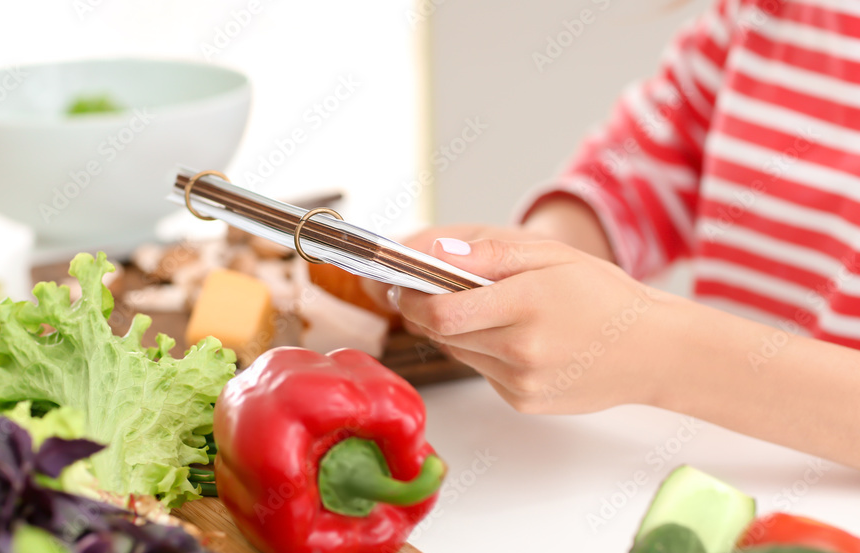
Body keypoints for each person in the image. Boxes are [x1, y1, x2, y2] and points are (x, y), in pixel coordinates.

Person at [365, 0, 860, 469]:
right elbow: (652, 159)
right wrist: (534, 259)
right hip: (724, 469)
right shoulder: (764, 13)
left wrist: (658, 352)